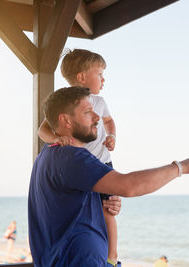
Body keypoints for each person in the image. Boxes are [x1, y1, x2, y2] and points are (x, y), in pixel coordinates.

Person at [28, 86, 189, 266]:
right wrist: (182, 167)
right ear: (65, 121)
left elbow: (69, 210)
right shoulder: (71, 157)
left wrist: (101, 206)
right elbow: (129, 186)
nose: (97, 117)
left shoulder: (48, 154)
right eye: (87, 112)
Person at [38, 48, 120, 266]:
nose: (103, 79)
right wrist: (57, 139)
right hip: (81, 166)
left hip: (101, 162)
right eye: (100, 74)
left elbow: (109, 122)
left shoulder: (99, 102)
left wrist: (111, 135)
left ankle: (113, 255)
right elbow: (43, 130)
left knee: (109, 208)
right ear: (82, 77)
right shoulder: (64, 102)